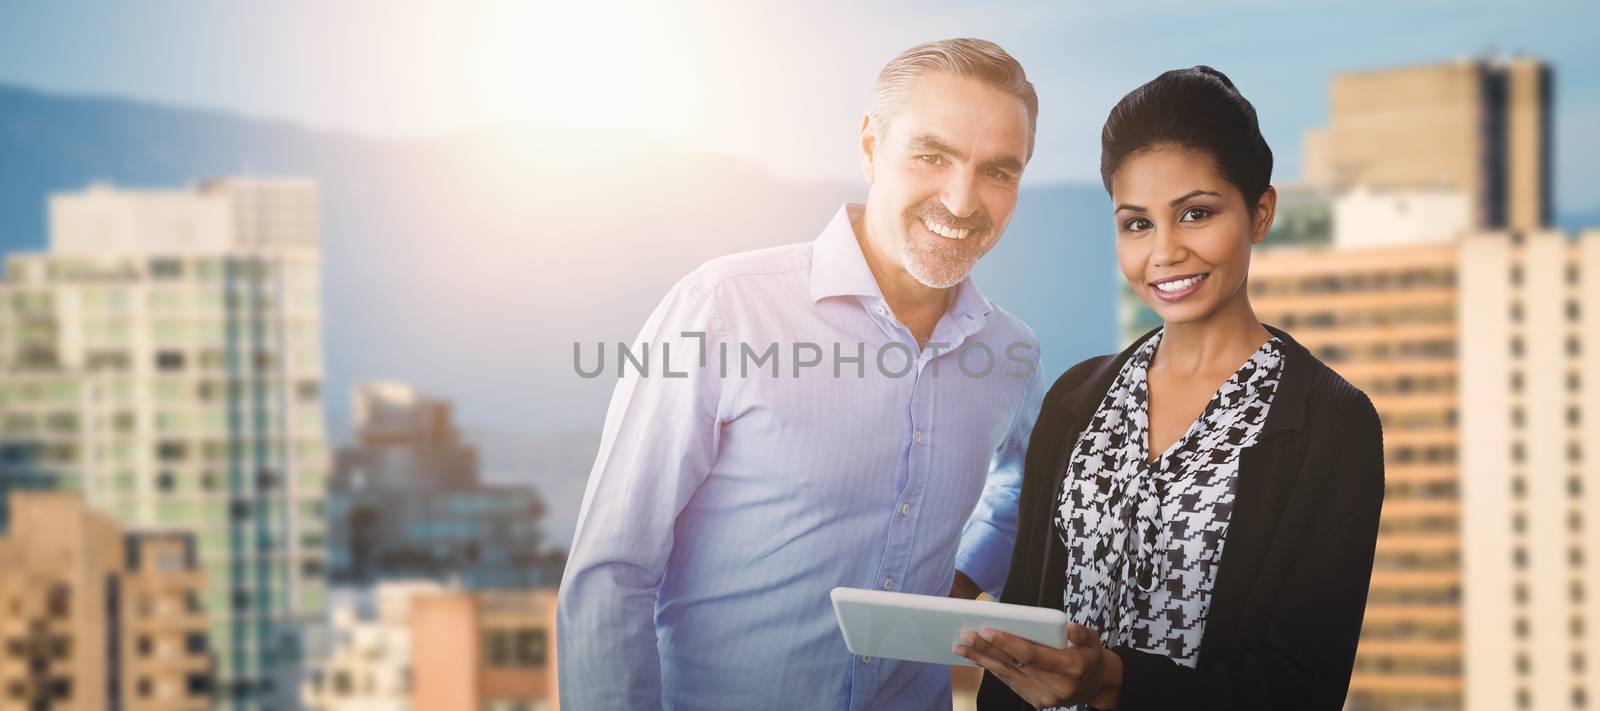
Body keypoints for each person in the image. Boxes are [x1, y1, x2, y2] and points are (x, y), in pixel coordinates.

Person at [558, 38, 1045, 710]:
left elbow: (1026, 483)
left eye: (999, 171)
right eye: (932, 156)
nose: (963, 200)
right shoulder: (724, 308)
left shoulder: (1010, 351)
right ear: (871, 146)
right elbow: (612, 573)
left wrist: (964, 575)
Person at [955, 66, 1385, 710]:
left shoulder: (1332, 423)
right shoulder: (1077, 399)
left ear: (1260, 212)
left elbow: (1304, 686)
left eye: (1196, 213)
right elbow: (1025, 617)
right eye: (1137, 224)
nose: (1164, 252)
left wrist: (1113, 681)